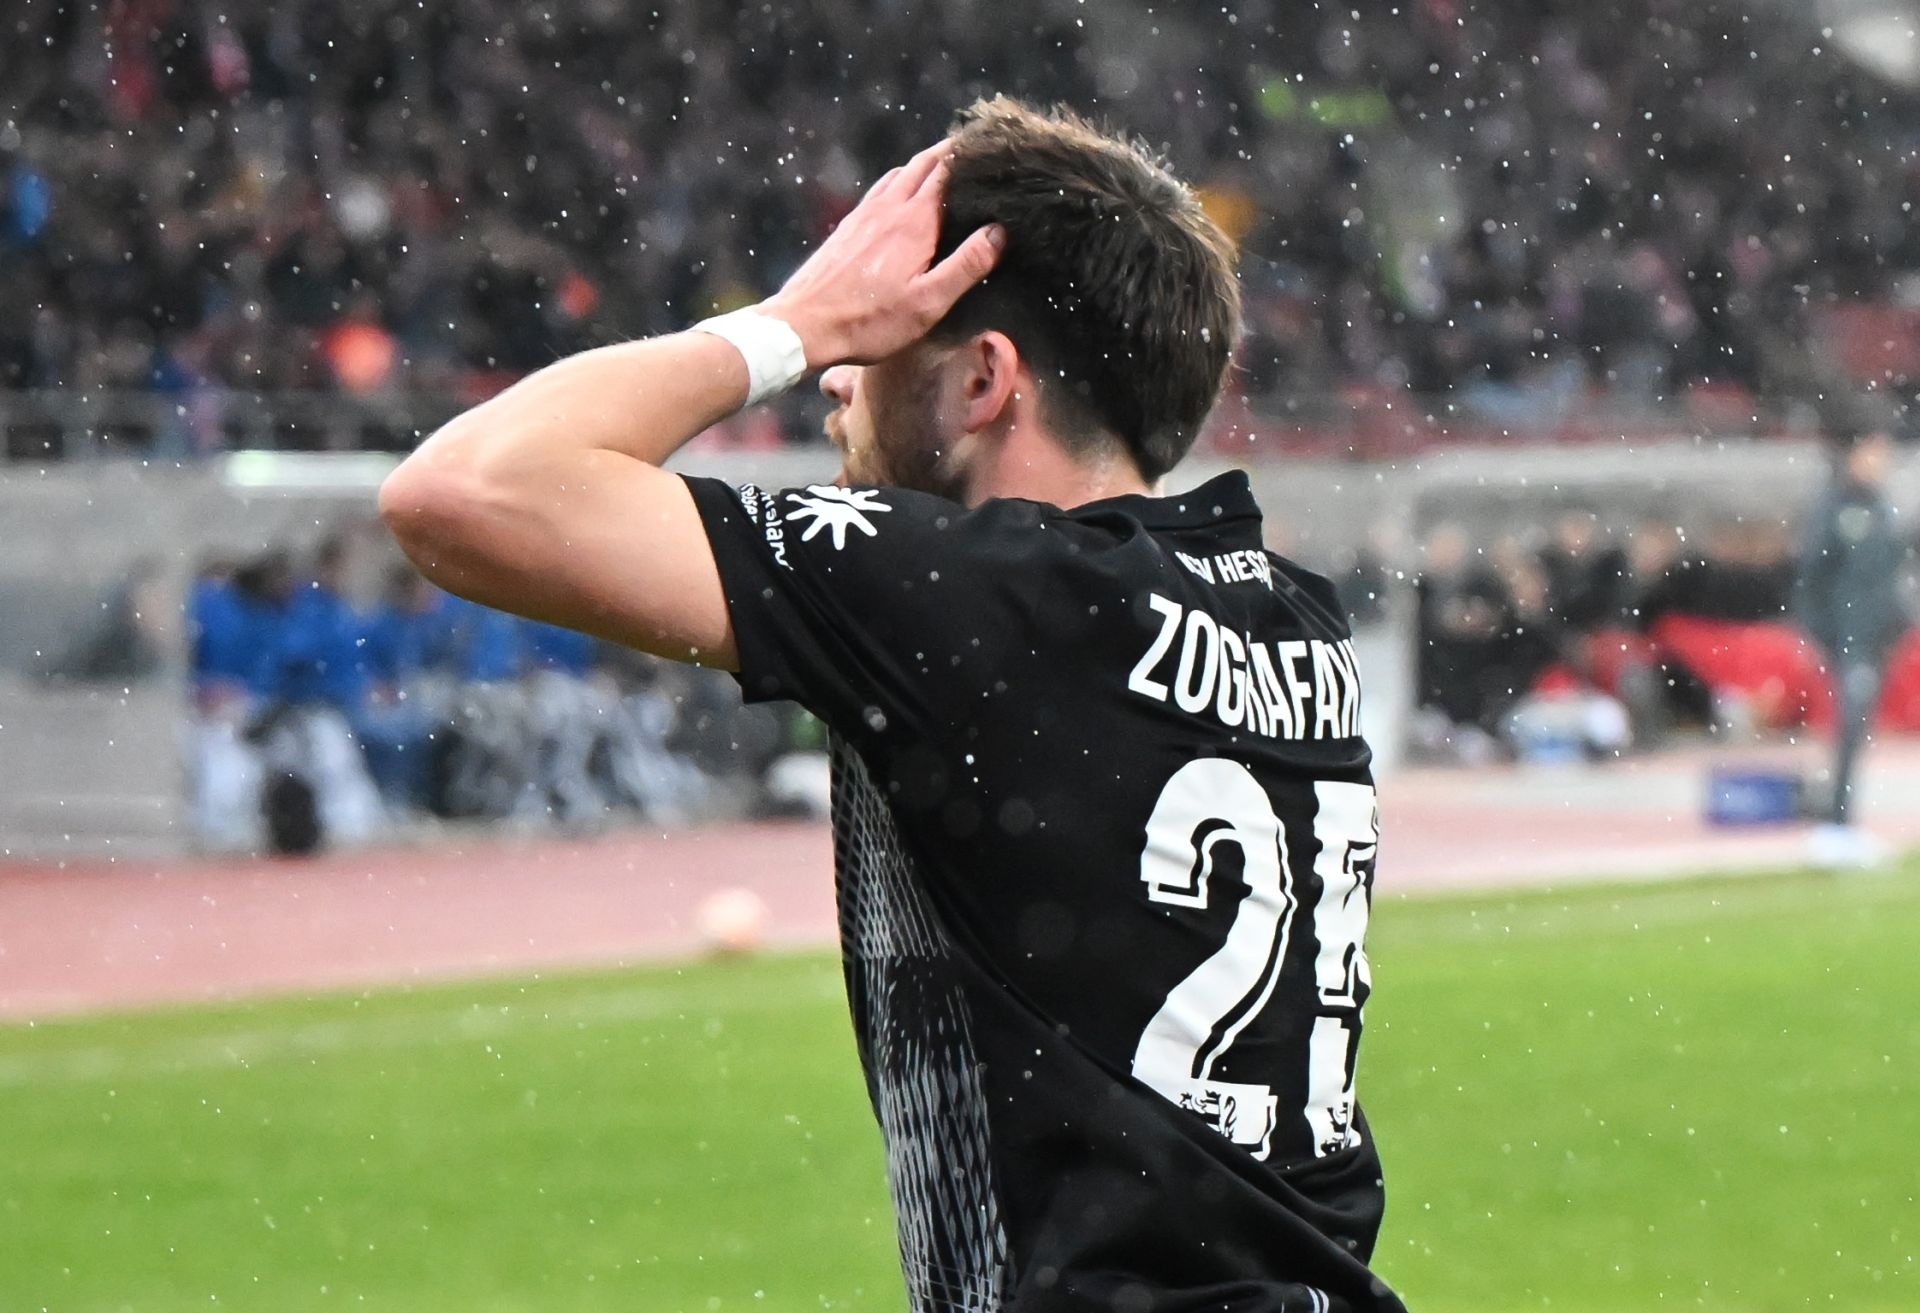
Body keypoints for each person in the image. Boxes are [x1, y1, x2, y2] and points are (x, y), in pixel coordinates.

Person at [382, 99, 1403, 1312]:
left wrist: (787, 323)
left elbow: (462, 491)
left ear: (983, 377)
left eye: (883, 335)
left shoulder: (977, 594)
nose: (838, 378)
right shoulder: (1291, 613)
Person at [1794, 394, 1910, 867]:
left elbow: (1889, 573)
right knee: (1848, 729)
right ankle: (1836, 825)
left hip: (1877, 637)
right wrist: (1820, 636)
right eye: (1876, 451)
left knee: (1857, 732)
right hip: (1848, 638)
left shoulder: (1880, 506)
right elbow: (1812, 577)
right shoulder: (1835, 508)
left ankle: (1841, 821)